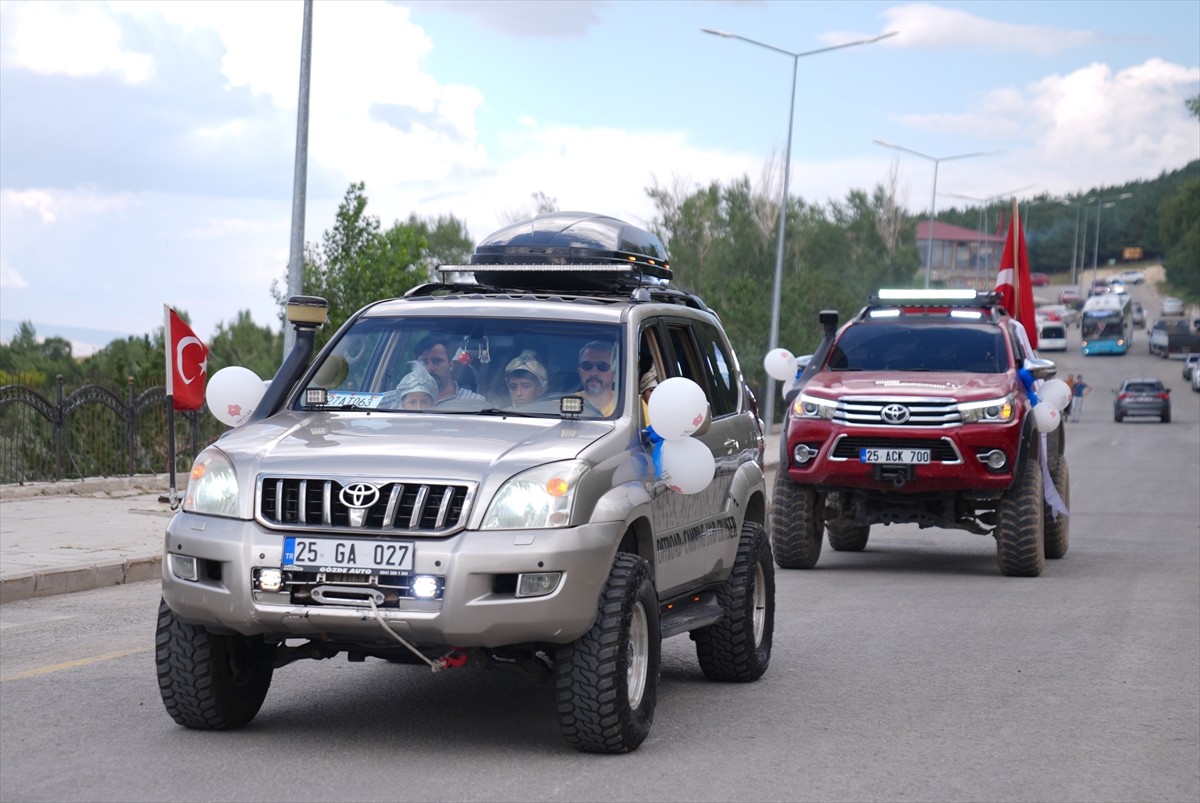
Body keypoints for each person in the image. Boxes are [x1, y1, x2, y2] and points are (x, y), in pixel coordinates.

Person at [415, 334, 486, 406]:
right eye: (424, 363)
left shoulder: (474, 402)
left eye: (437, 361)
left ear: (451, 365)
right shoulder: (406, 400)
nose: (430, 368)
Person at [576, 340, 617, 416]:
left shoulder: (629, 407)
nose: (593, 372)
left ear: (615, 374)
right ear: (580, 371)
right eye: (587, 365)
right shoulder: (561, 404)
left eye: (602, 366)